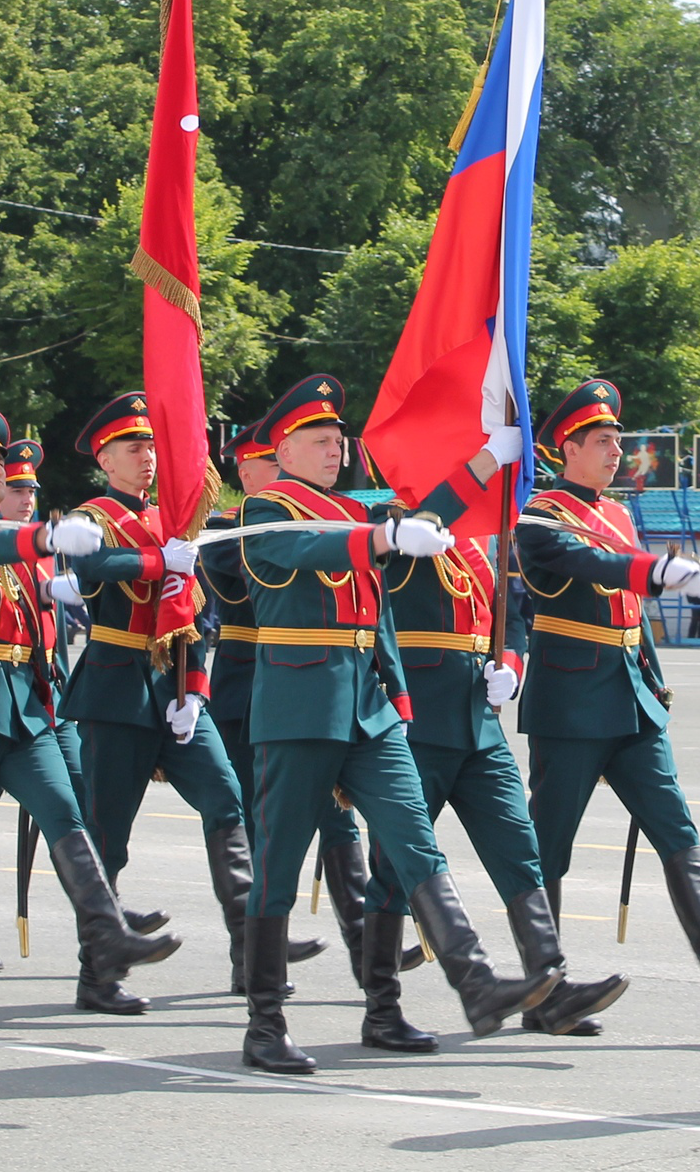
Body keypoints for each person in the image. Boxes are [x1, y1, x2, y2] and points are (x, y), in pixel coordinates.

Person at [235, 374, 552, 1073]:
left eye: (337, 439)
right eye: (318, 439)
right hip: (298, 708)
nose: (334, 448)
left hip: (368, 709)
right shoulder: (264, 510)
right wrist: (381, 535)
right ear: (283, 448)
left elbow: (421, 524)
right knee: (279, 867)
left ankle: (474, 982)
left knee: (414, 843)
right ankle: (265, 1023)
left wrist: (486, 462)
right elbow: (313, 550)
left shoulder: (352, 508)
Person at [0, 405, 180, 1031]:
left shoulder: (5, 538)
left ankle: (106, 936)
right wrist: (44, 538)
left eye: (0, 459)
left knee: (67, 817)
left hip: (23, 706)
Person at [519, 379, 700, 1018]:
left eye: (618, 440)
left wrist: (652, 671)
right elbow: (591, 567)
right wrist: (655, 570)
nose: (616, 451)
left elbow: (629, 610)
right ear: (568, 448)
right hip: (571, 696)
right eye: (602, 441)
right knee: (550, 842)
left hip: (629, 695)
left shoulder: (615, 513)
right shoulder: (540, 515)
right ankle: (545, 987)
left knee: (675, 826)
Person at [63, 393, 323, 1014]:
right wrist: (158, 559)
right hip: (117, 687)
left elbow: (195, 615)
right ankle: (98, 973)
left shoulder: (170, 517)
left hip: (176, 688)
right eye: (134, 447)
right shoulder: (91, 516)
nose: (148, 457)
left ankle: (251, 951)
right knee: (109, 834)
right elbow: (95, 569)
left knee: (227, 804)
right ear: (105, 458)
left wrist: (195, 689)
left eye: (152, 446)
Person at [369, 489, 629, 1043]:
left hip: (477, 721)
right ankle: (381, 1010)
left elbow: (509, 614)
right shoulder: (393, 523)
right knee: (396, 869)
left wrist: (509, 660)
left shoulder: (478, 537)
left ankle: (551, 990)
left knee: (520, 850)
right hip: (418, 718)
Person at [201, 423, 385, 984]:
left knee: (338, 821)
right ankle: (250, 955)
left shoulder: (320, 517)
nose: (278, 478)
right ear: (246, 473)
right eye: (265, 466)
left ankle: (361, 939)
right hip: (250, 687)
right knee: (266, 824)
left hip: (322, 688)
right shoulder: (225, 533)